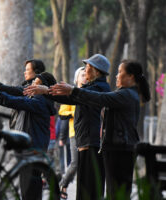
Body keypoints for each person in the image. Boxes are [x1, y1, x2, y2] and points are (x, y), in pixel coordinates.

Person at [50, 60, 150, 199]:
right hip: (117, 148)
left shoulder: (126, 94)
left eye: (120, 72)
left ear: (131, 76)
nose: (116, 75)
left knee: (116, 193)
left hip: (120, 149)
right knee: (114, 192)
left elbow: (100, 97)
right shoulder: (126, 93)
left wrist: (73, 90)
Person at [24, 54, 111, 200]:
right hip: (84, 142)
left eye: (88, 68)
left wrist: (49, 91)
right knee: (83, 187)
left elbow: (74, 96)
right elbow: (68, 98)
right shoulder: (91, 87)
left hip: (92, 143)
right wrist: (46, 91)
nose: (85, 71)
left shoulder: (100, 87)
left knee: (90, 188)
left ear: (96, 71)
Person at [0, 72, 57, 200]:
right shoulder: (33, 98)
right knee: (27, 184)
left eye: (36, 83)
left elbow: (16, 101)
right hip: (30, 147)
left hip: (34, 147)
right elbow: (9, 91)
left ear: (44, 88)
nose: (31, 85)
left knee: (30, 185)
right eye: (33, 82)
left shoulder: (40, 101)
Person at [0, 59, 46, 131]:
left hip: (32, 140)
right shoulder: (27, 89)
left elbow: (10, 93)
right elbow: (8, 100)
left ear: (36, 73)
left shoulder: (37, 94)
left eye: (27, 70)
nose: (24, 72)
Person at [59, 67, 87, 199]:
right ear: (76, 78)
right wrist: (74, 113)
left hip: (89, 134)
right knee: (76, 163)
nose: (85, 77)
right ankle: (62, 184)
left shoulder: (91, 93)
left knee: (86, 165)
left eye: (86, 75)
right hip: (74, 133)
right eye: (82, 75)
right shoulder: (70, 93)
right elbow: (62, 113)